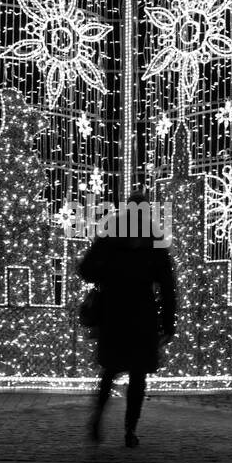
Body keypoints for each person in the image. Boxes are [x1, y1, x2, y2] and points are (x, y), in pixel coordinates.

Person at [78, 192, 177, 448]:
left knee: (110, 370)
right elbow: (167, 284)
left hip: (114, 310)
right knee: (138, 374)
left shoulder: (111, 233)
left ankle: (97, 420)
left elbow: (85, 269)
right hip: (142, 312)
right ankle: (130, 430)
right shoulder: (153, 237)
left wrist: (108, 273)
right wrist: (168, 321)